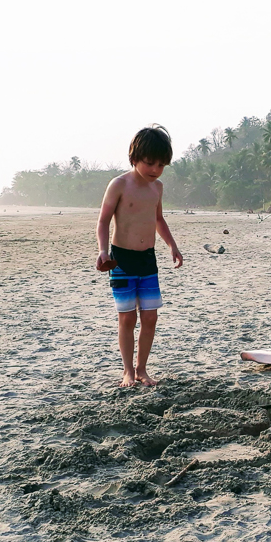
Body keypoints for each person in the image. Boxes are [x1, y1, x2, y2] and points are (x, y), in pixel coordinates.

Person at [95, 125, 183, 387]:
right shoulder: (119, 184)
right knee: (127, 317)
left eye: (160, 164)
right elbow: (103, 222)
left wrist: (172, 245)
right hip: (121, 259)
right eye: (149, 163)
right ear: (134, 157)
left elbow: (158, 219)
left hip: (148, 260)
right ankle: (127, 371)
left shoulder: (157, 188)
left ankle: (141, 368)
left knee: (150, 316)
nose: (154, 169)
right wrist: (102, 250)